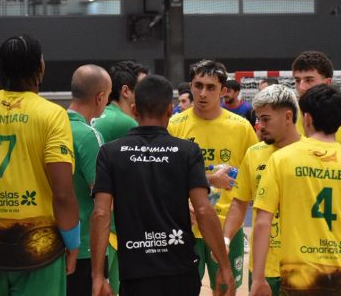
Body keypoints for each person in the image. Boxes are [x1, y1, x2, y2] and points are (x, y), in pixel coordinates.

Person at [0, 34, 80, 295]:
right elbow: (63, 193)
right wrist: (73, 244)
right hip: (40, 251)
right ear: (40, 68)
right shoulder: (53, 115)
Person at [90, 75, 235, 296]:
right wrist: (224, 266)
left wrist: (98, 276)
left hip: (135, 271)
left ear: (135, 109)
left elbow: (101, 213)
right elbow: (204, 210)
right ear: (170, 110)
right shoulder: (187, 151)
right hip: (180, 272)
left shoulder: (110, 153)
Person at [250, 85, 341, 296]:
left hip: (299, 277)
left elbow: (263, 223)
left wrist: (258, 278)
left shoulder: (281, 160)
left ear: (306, 118)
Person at [168, 60, 258, 292]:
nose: (202, 93)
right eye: (198, 86)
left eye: (210, 87)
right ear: (191, 85)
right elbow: (165, 177)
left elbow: (252, 178)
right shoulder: (175, 125)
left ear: (223, 90)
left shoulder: (241, 128)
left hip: (227, 228)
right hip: (185, 226)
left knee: (226, 290)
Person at [222, 85, 301, 296]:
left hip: (302, 266)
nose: (259, 126)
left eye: (266, 119)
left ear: (287, 116)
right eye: (258, 119)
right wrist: (226, 239)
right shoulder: (254, 154)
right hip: (262, 267)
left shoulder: (310, 154)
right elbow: (239, 202)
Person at [91, 60, 149, 292]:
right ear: (126, 91)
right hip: (114, 228)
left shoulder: (103, 116)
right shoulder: (126, 124)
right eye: (143, 87)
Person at [65, 64, 112, 296]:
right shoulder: (89, 135)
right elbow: (103, 202)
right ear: (100, 97)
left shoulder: (51, 127)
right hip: (84, 249)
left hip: (52, 245)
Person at [292, 51, 341, 155]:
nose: (301, 87)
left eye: (309, 80)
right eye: (297, 80)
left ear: (327, 83)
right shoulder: (288, 121)